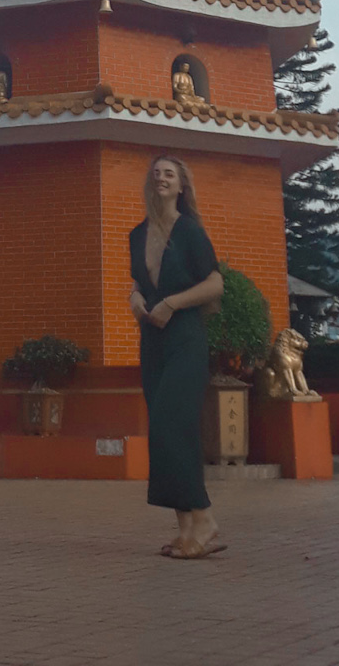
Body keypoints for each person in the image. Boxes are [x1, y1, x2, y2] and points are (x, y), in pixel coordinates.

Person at [129, 155, 225, 559]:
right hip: (152, 341)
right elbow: (138, 282)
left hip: (185, 338)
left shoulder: (190, 232)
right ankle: (185, 529)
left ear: (181, 186)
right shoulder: (136, 234)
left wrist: (172, 303)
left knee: (174, 423)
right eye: (157, 174)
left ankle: (203, 517)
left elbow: (215, 284)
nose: (161, 179)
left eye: (169, 174)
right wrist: (136, 299)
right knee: (162, 431)